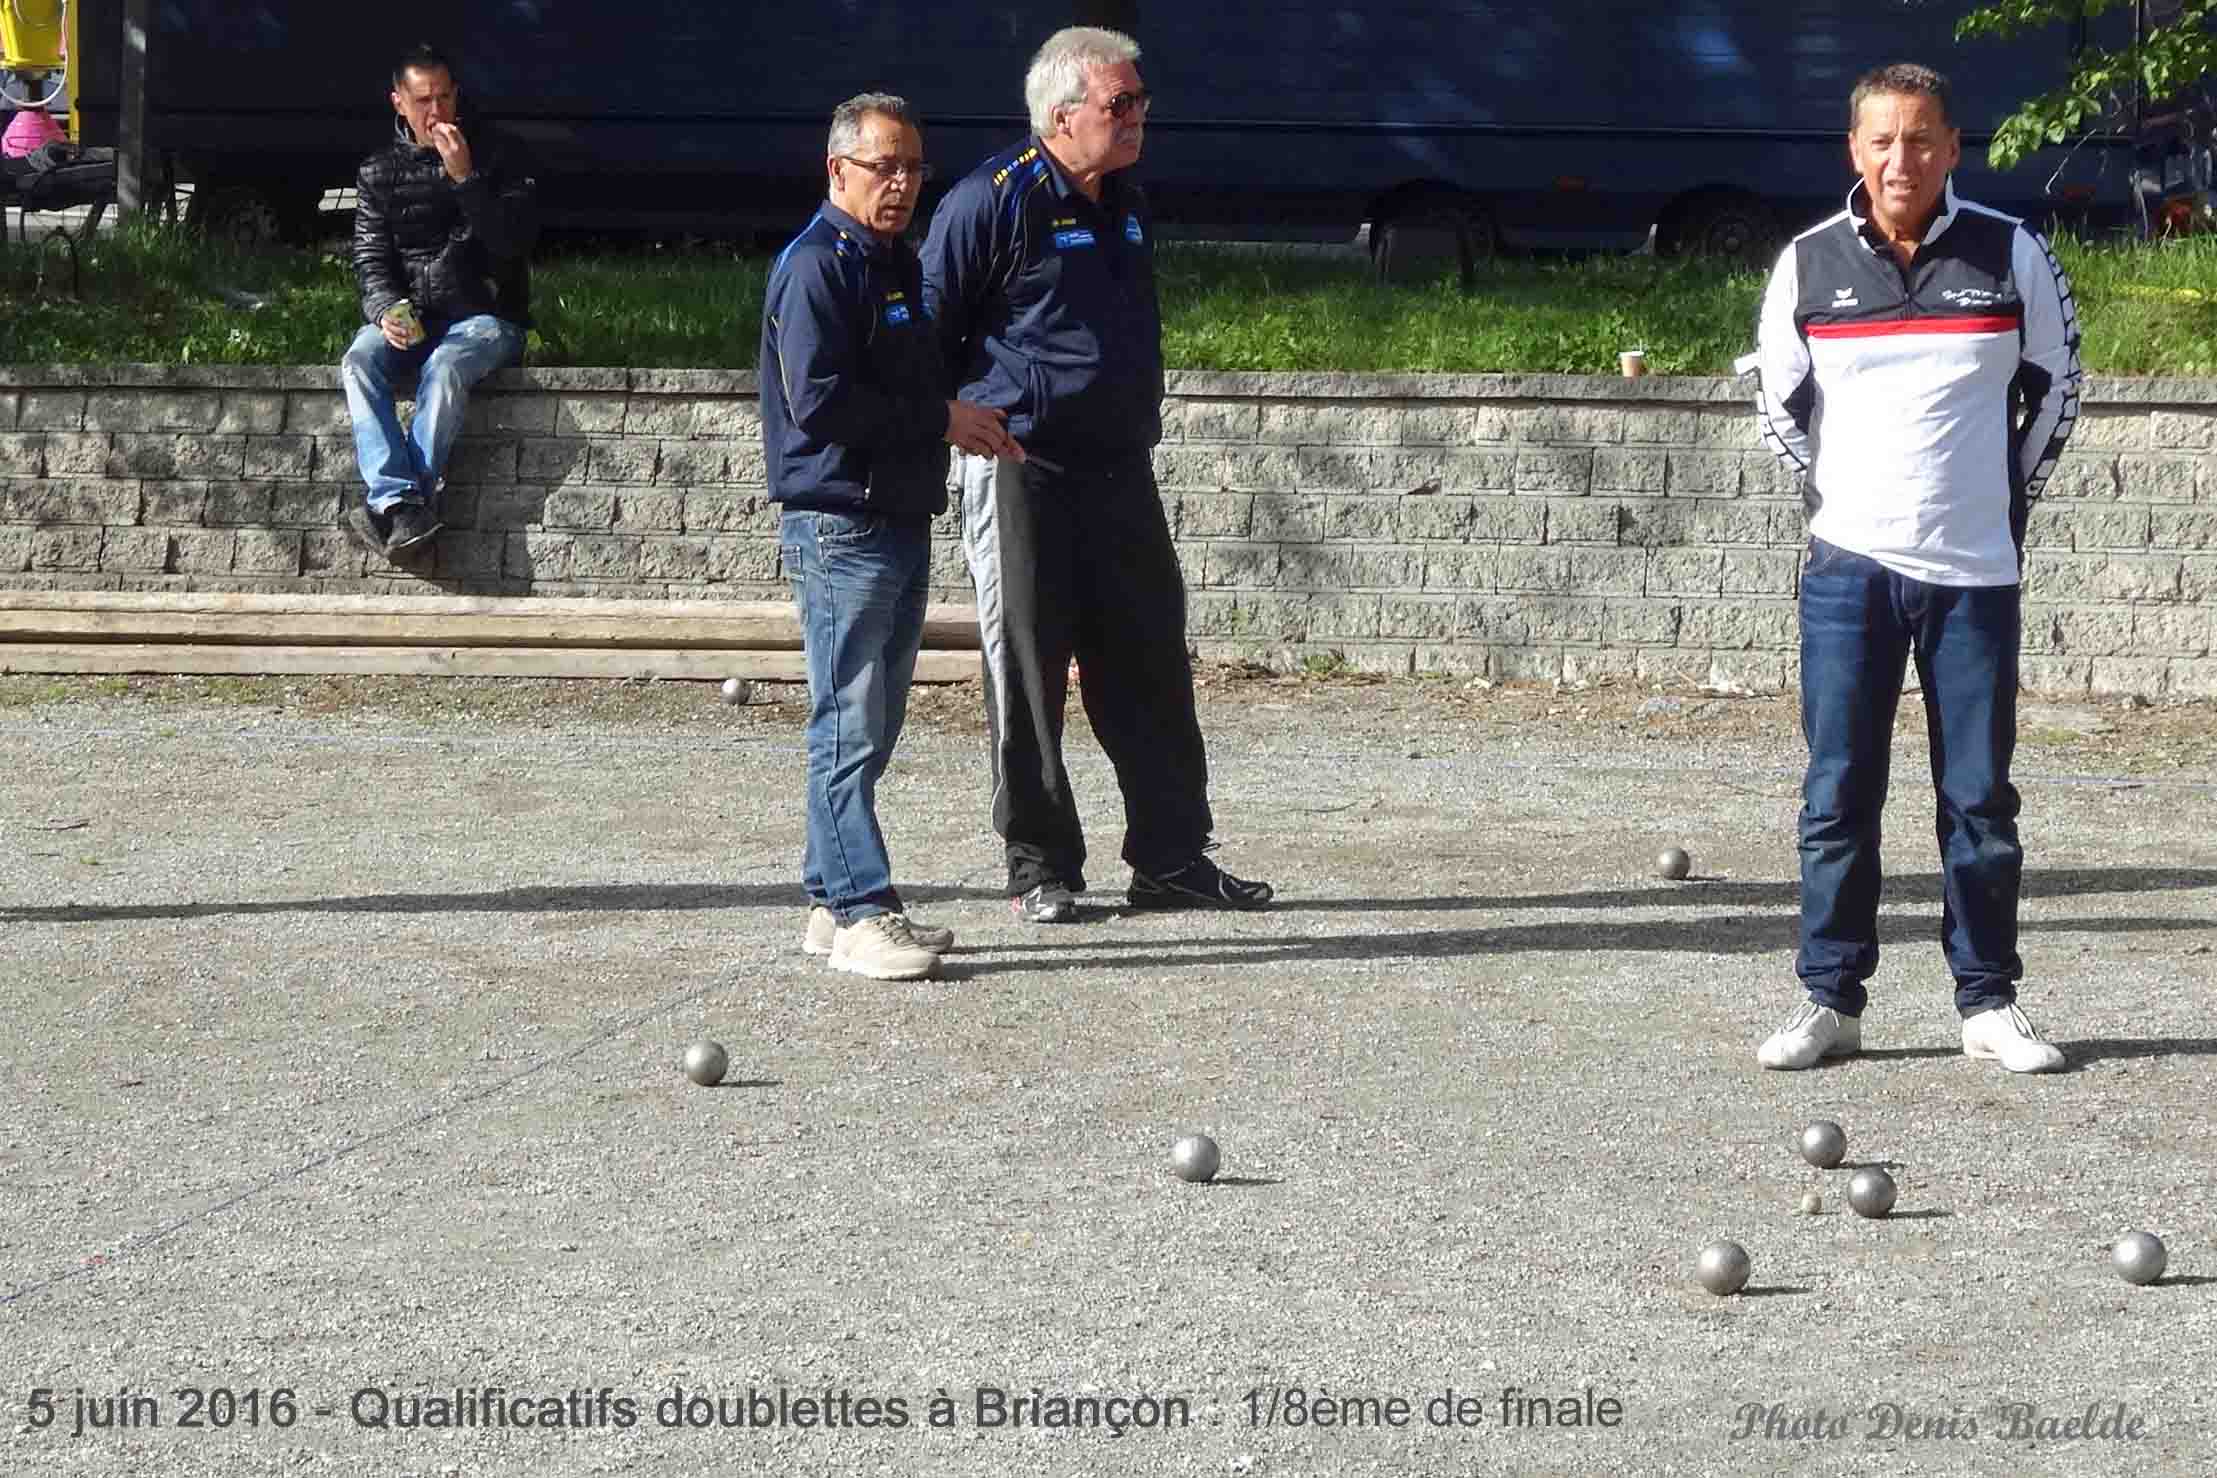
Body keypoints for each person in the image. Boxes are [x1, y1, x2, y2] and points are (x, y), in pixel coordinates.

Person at [1751, 62, 2081, 1074]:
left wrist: (1995, 500)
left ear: (1952, 145)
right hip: (1849, 570)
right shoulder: (1807, 265)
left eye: (1923, 138)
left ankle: (1987, 1000)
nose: (1904, 159)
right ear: (1856, 151)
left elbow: (2057, 394)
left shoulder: (2011, 252)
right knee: (1838, 792)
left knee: (1980, 797)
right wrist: (1856, 499)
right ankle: (1829, 999)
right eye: (1883, 140)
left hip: (1975, 572)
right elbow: (1782, 409)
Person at [921, 26, 1273, 924]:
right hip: (1022, 469)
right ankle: (1040, 867)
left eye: (1140, 101)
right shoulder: (989, 202)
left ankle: (1171, 858)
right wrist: (952, 414)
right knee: (1030, 674)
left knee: (1151, 664)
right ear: (1060, 112)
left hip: (1120, 468)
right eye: (1120, 104)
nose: (1137, 117)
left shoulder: (1126, 199)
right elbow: (924, 332)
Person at [763, 92, 1023, 981]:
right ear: (838, 169)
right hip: (841, 524)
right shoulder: (816, 268)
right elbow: (820, 401)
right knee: (847, 722)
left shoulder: (891, 264)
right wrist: (939, 418)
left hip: (898, 515)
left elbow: (916, 377)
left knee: (868, 723)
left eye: (913, 166)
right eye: (884, 166)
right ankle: (864, 911)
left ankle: (827, 901)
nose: (903, 183)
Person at [340, 44, 536, 559]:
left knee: (446, 367)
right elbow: (369, 259)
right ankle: (403, 504)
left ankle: (399, 504)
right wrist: (385, 311)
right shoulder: (378, 171)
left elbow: (512, 245)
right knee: (360, 359)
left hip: (486, 317)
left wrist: (466, 179)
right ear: (398, 102)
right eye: (423, 100)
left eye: (445, 98)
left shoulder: (499, 156)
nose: (437, 113)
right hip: (414, 319)